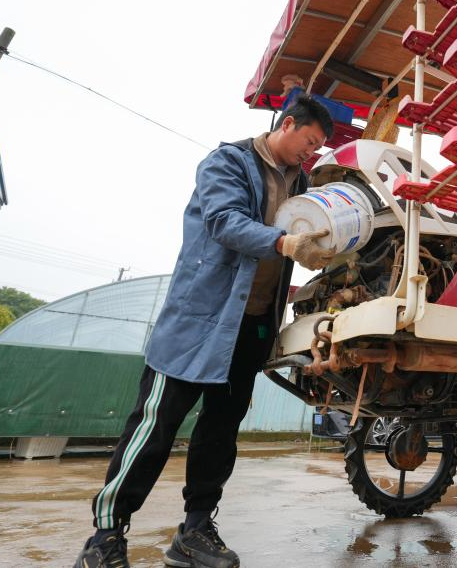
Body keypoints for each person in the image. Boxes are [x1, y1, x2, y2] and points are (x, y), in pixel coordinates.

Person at [75, 95, 336, 568]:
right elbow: (223, 221)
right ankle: (105, 536)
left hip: (253, 325)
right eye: (309, 141)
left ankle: (195, 531)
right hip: (202, 318)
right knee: (156, 425)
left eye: (319, 147)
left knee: (221, 430)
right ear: (288, 123)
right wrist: (284, 241)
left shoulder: (303, 183)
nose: (310, 152)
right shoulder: (229, 162)